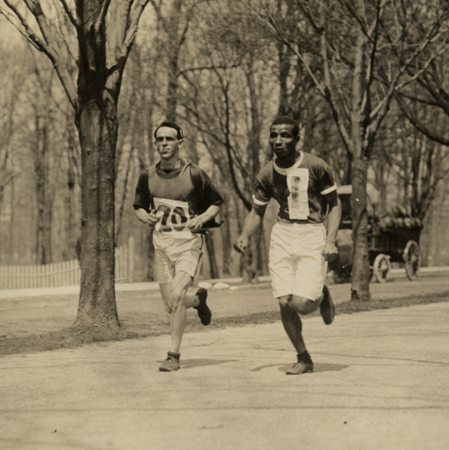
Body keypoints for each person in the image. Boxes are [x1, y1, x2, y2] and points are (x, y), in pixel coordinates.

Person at [234, 116, 340, 375]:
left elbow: (335, 205)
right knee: (284, 302)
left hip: (312, 234)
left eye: (284, 136)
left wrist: (330, 240)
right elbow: (256, 212)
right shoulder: (266, 173)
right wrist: (245, 235)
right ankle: (303, 358)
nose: (278, 141)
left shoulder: (316, 166)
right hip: (282, 235)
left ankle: (322, 295)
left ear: (296, 139)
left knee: (302, 305)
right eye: (273, 135)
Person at [134, 121, 224, 372]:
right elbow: (139, 207)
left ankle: (173, 355)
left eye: (169, 139)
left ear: (179, 143)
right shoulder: (148, 175)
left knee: (175, 298)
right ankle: (197, 301)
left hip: (188, 245)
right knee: (170, 304)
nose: (164, 144)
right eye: (159, 140)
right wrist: (145, 217)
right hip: (162, 246)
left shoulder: (193, 173)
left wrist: (201, 218)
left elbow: (217, 202)